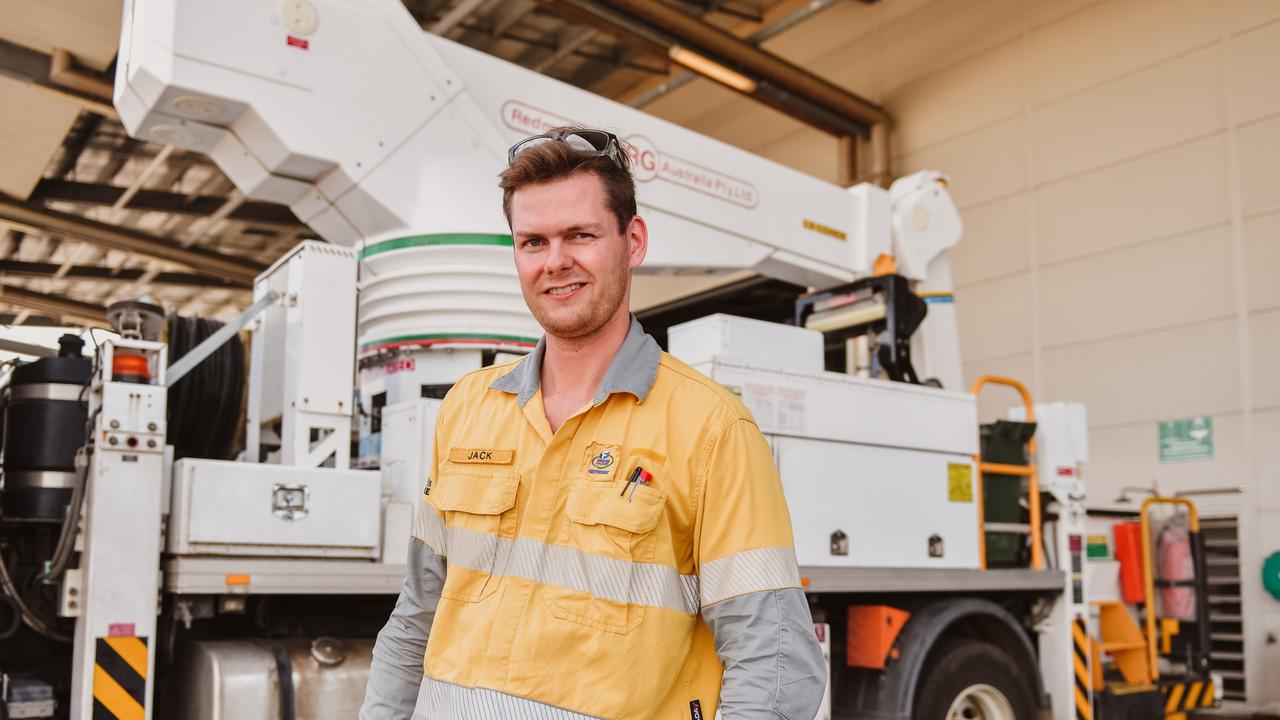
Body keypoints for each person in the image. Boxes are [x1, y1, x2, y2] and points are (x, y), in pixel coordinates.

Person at [360, 127, 826, 720]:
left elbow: (776, 663)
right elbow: (415, 618)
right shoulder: (467, 407)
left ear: (633, 240)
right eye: (532, 242)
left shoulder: (712, 428)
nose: (555, 262)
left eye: (580, 235)